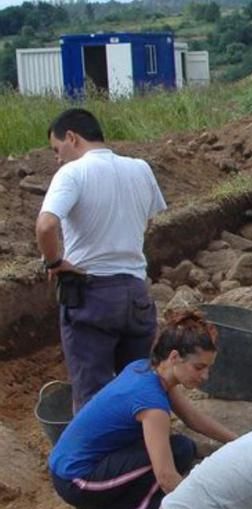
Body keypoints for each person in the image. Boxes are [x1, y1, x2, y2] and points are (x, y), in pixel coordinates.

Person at [48, 310, 238, 509]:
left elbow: (193, 418)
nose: (205, 376)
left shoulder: (146, 370)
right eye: (199, 367)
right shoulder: (151, 402)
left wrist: (240, 442)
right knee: (170, 461)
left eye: (207, 368)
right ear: (175, 357)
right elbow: (166, 477)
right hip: (76, 480)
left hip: (72, 466)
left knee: (182, 448)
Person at [36, 108, 167, 412]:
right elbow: (148, 222)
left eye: (57, 150)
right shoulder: (141, 169)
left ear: (72, 137)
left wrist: (54, 262)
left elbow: (45, 225)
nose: (58, 159)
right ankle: (139, 456)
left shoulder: (73, 173)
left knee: (91, 396)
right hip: (136, 295)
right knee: (138, 390)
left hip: (89, 294)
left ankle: (94, 459)